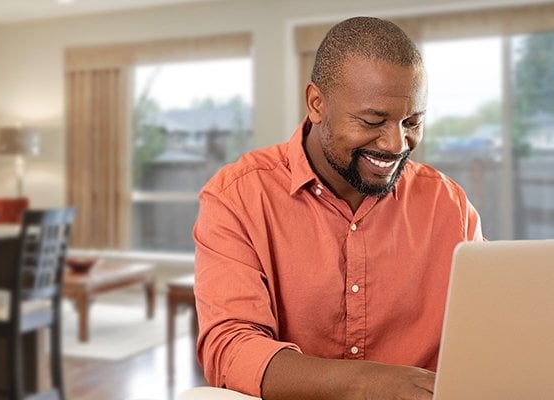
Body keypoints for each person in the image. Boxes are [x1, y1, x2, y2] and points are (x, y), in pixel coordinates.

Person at [193, 16, 484, 400]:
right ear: (316, 104)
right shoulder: (238, 197)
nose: (397, 143)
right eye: (372, 120)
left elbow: (486, 334)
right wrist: (370, 384)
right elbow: (230, 350)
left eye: (412, 121)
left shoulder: (450, 206)